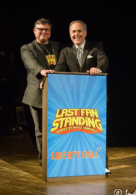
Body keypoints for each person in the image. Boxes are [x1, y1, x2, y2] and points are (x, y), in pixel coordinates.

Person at [55, 20, 111, 176]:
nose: (76, 34)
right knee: (78, 133)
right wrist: (47, 81)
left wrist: (98, 68)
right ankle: (80, 164)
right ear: (70, 34)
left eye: (79, 31)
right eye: (73, 32)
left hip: (95, 97)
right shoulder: (65, 51)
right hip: (75, 100)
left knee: (97, 132)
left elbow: (103, 61)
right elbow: (59, 70)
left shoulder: (95, 46)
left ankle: (102, 165)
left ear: (85, 33)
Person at [21, 18, 60, 167]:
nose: (43, 32)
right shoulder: (27, 48)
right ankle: (45, 161)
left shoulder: (56, 46)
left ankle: (58, 156)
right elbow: (30, 63)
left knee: (58, 128)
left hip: (57, 92)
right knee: (41, 130)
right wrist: (42, 72)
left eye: (47, 30)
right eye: (40, 29)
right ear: (34, 31)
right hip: (37, 93)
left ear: (50, 32)